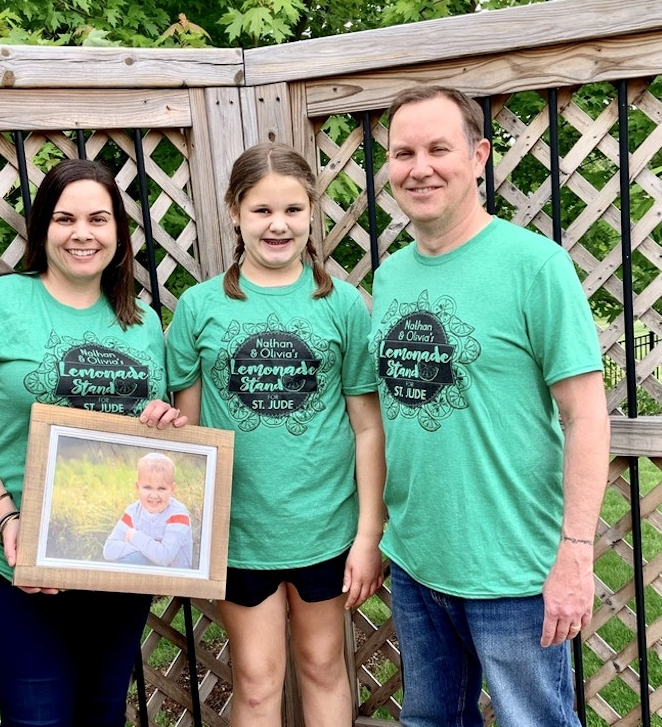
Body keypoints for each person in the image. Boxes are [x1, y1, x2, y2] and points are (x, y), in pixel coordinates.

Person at [368, 85, 611, 726]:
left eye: (438, 149)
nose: (419, 167)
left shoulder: (535, 266)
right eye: (403, 152)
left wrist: (576, 554)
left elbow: (587, 415)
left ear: (478, 156)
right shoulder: (390, 274)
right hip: (418, 559)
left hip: (514, 570)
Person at [0, 158, 185, 727]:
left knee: (102, 714)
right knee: (38, 721)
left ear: (119, 231)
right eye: (65, 218)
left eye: (98, 218)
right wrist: (5, 517)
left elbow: (136, 436)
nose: (82, 233)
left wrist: (159, 423)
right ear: (43, 227)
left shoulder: (139, 323)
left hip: (119, 557)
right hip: (21, 561)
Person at [166, 142, 386, 727]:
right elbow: (189, 437)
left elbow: (368, 425)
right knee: (258, 682)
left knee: (323, 665)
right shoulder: (199, 307)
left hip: (327, 527)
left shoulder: (342, 305)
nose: (278, 224)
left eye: (292, 209)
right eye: (261, 210)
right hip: (240, 534)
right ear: (234, 212)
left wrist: (369, 533)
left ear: (311, 211)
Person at [103, 451, 193, 568]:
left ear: (172, 489)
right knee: (133, 559)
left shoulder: (178, 514)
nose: (154, 495)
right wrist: (148, 550)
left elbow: (164, 557)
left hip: (175, 581)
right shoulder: (133, 512)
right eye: (147, 488)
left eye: (161, 489)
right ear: (137, 487)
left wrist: (133, 536)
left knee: (135, 558)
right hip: (145, 574)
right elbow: (109, 550)